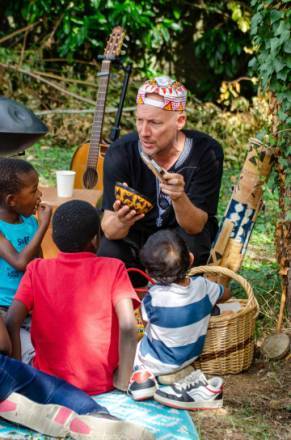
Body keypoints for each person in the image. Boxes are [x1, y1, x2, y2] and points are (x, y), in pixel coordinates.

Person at [98, 76, 223, 285]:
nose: (144, 132)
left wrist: (179, 197)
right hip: (136, 234)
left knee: (194, 243)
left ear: (180, 121)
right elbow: (109, 228)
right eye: (139, 120)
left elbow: (196, 226)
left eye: (155, 123)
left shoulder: (206, 152)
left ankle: (177, 300)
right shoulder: (120, 152)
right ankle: (131, 303)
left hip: (180, 237)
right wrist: (121, 220)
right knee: (109, 251)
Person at [6, 200, 140, 395]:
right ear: (95, 239)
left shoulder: (37, 269)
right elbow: (129, 325)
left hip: (47, 382)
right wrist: (122, 379)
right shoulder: (114, 268)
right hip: (100, 383)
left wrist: (22, 373)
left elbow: (11, 321)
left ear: (54, 238)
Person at [0, 315, 153, 440]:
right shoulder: (115, 276)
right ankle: (94, 413)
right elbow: (4, 344)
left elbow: (13, 319)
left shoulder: (35, 275)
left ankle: (9, 401)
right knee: (50, 388)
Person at [127, 230, 229, 410]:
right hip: (189, 357)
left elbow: (144, 325)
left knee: (136, 341)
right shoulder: (203, 287)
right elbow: (227, 293)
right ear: (190, 259)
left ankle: (142, 377)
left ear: (149, 273)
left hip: (156, 361)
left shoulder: (153, 297)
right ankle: (155, 377)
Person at [0, 158, 52, 362]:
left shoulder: (29, 222)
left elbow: (38, 263)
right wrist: (43, 226)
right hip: (5, 308)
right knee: (16, 352)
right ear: (12, 200)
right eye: (34, 190)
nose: (39, 195)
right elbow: (20, 262)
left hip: (31, 306)